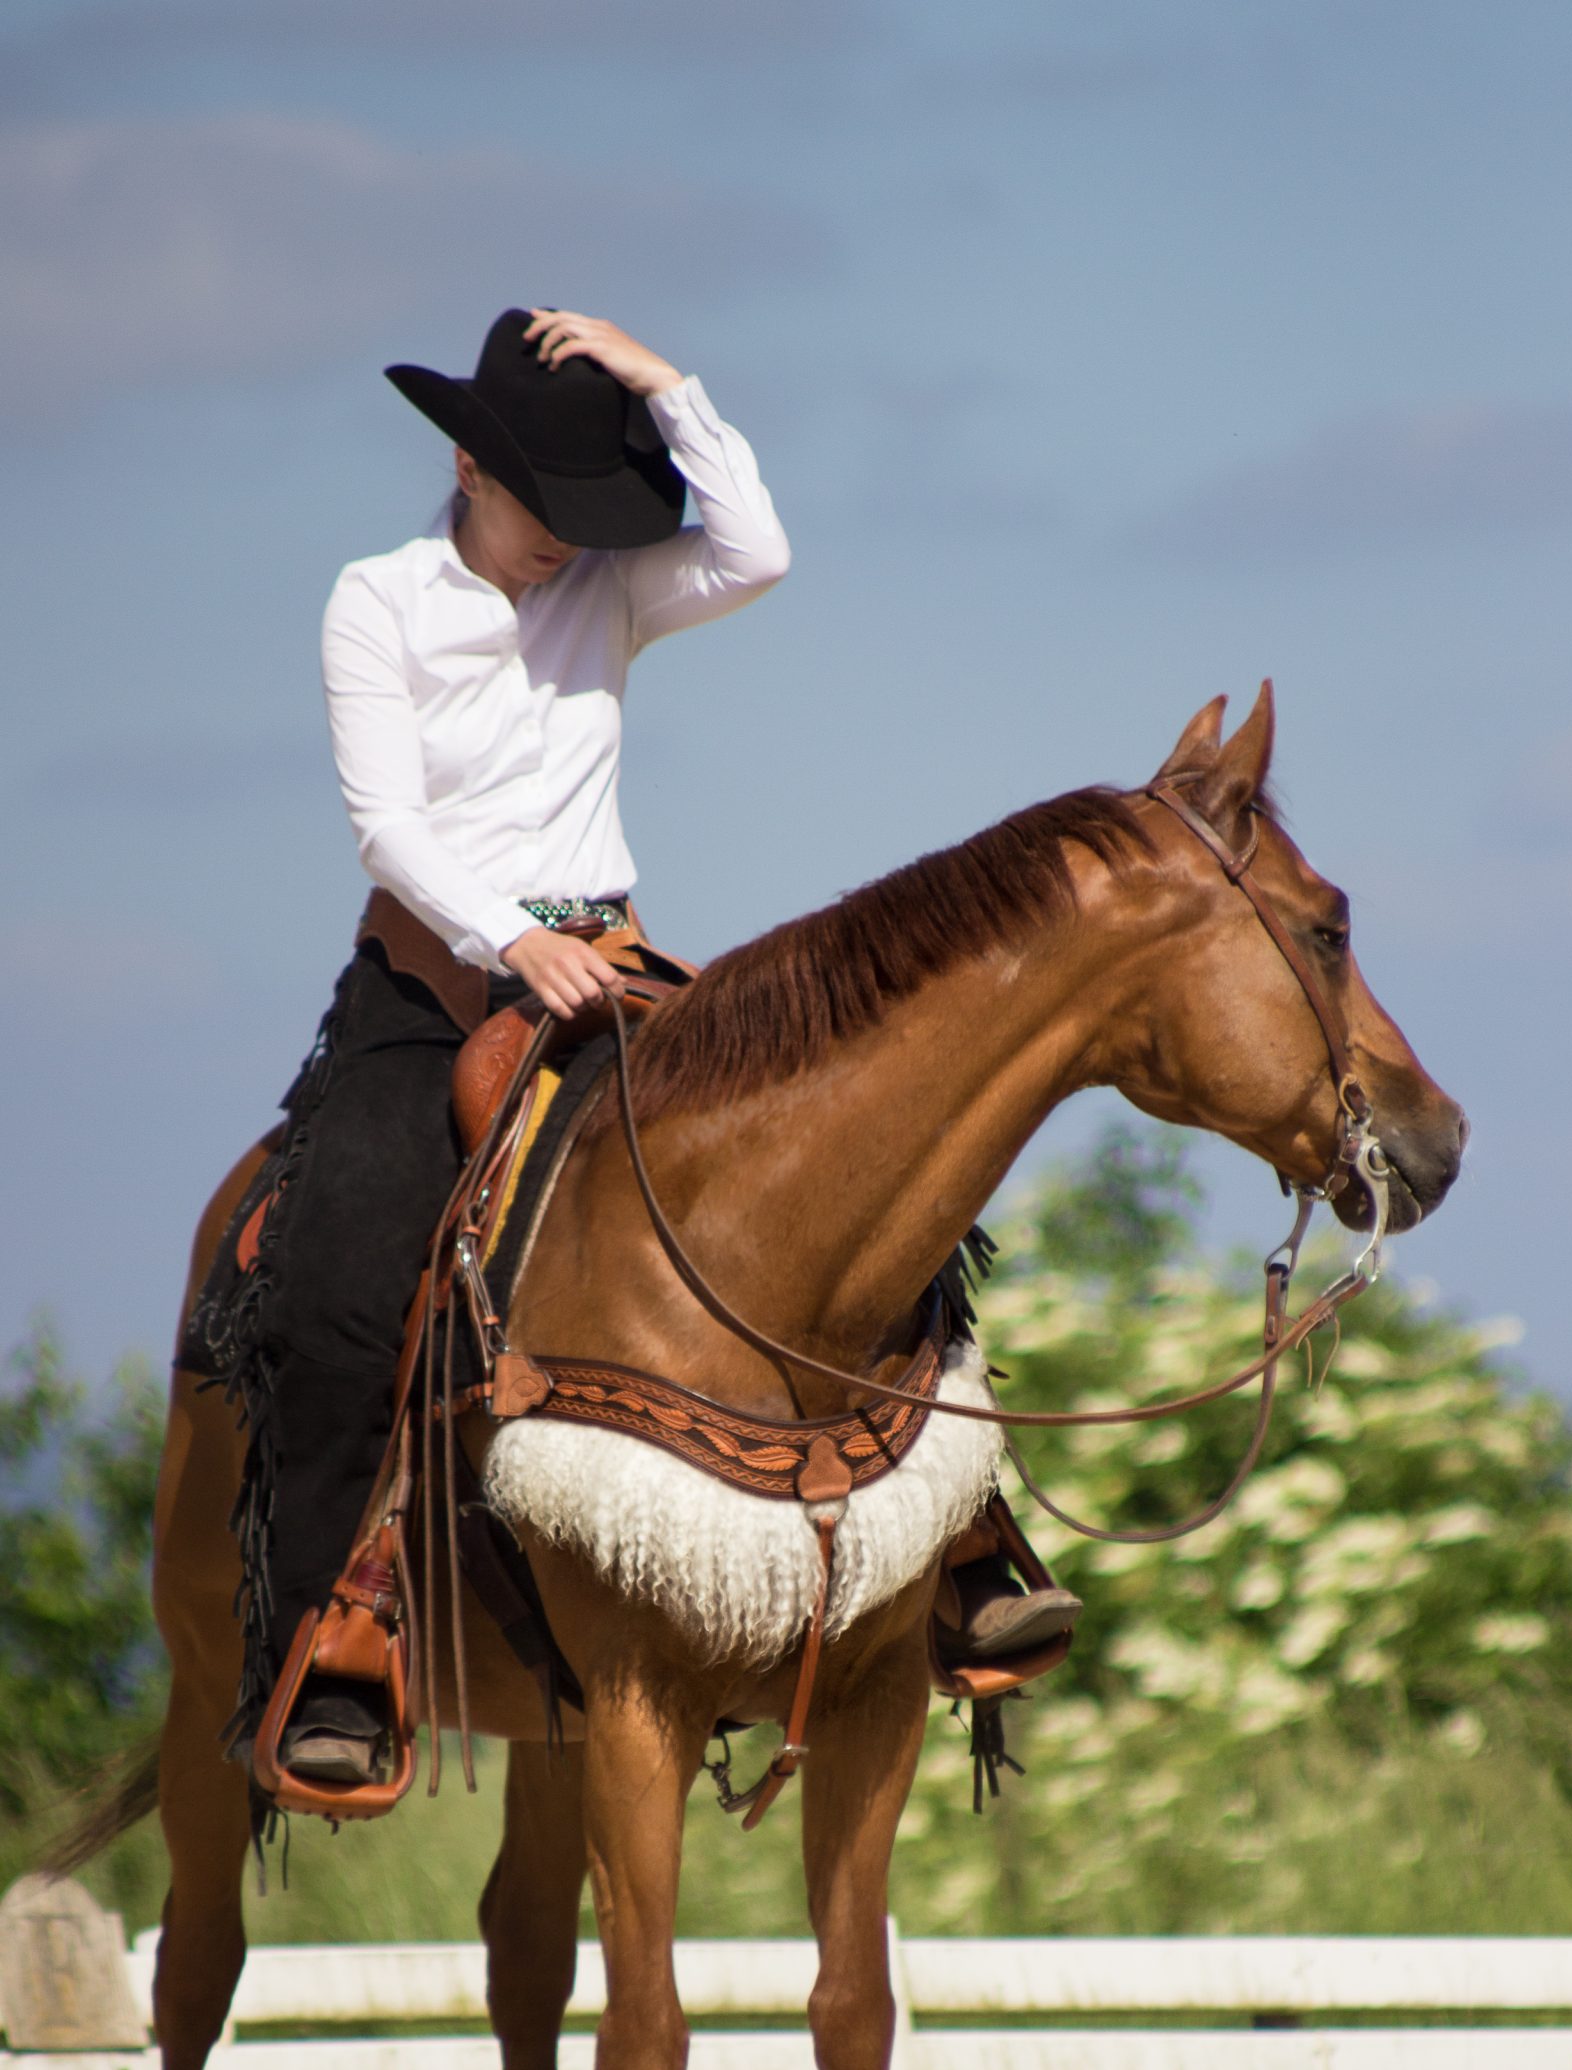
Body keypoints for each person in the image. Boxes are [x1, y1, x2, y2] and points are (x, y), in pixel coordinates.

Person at [227, 304, 1072, 1794]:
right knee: (346, 1256)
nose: (565, 537)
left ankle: (968, 1542)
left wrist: (665, 383)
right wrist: (509, 940)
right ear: (465, 468)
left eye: (585, 509)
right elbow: (388, 826)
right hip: (434, 982)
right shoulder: (378, 598)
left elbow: (756, 550)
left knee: (850, 1181)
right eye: (542, 504)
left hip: (617, 978)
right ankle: (336, 1641)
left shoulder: (612, 587)